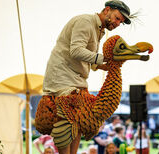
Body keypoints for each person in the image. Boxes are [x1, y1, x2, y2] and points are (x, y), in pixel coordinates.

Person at [35, 0, 134, 153]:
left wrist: (112, 66)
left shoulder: (98, 30)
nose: (118, 23)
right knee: (67, 119)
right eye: (117, 18)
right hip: (62, 79)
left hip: (77, 80)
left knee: (81, 119)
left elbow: (90, 61)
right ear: (107, 10)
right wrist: (103, 58)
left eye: (120, 21)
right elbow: (76, 50)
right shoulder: (86, 22)